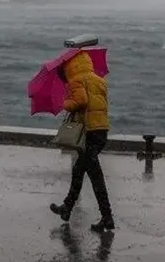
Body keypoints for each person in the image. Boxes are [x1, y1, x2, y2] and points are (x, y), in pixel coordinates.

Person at [49, 51, 115, 232]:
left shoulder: (77, 80)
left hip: (89, 133)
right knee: (79, 171)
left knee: (96, 178)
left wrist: (66, 103)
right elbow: (99, 104)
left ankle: (107, 217)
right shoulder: (99, 80)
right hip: (101, 130)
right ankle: (67, 208)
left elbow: (82, 101)